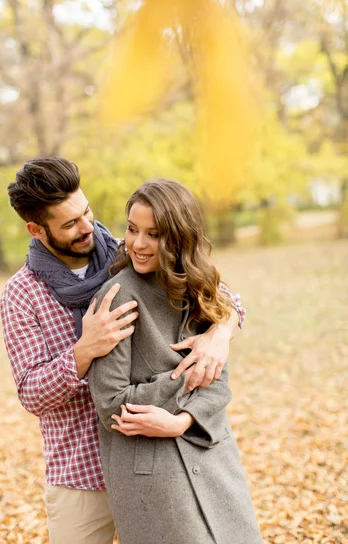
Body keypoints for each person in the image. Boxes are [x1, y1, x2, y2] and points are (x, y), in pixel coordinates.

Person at [0, 157, 245, 544]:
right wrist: (83, 351)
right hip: (82, 475)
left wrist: (221, 330)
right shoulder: (21, 293)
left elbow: (217, 295)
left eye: (86, 212)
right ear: (36, 229)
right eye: (69, 224)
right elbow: (31, 391)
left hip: (158, 459)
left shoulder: (129, 251)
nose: (85, 228)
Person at [88, 179, 263, 544]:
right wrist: (187, 378)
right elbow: (110, 402)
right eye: (132, 229)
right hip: (153, 473)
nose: (137, 243)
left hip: (211, 452)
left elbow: (219, 378)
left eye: (153, 234)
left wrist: (182, 421)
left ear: (179, 237)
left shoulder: (199, 286)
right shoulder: (118, 296)